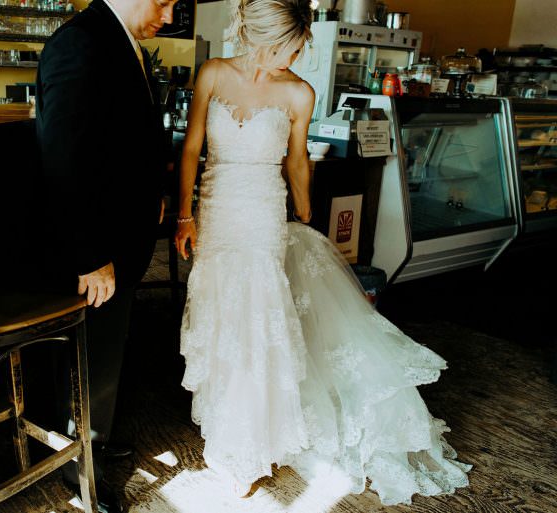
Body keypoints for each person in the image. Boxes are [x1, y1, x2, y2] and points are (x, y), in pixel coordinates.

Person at [174, 0, 471, 505]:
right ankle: (225, 430)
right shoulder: (213, 74)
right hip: (218, 212)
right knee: (220, 317)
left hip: (263, 214)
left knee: (256, 324)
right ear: (267, 38)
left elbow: (296, 158)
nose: (298, 54)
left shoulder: (299, 91)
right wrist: (185, 214)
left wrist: (306, 207)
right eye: (293, 45)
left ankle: (248, 448)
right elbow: (192, 146)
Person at [34, 0, 176, 510]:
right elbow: (64, 155)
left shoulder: (121, 41)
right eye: (164, 0)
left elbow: (126, 139)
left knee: (107, 353)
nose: (170, 12)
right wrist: (90, 255)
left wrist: (154, 195)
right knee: (90, 357)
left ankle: (97, 439)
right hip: (95, 245)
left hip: (123, 237)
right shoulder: (80, 41)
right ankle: (80, 476)